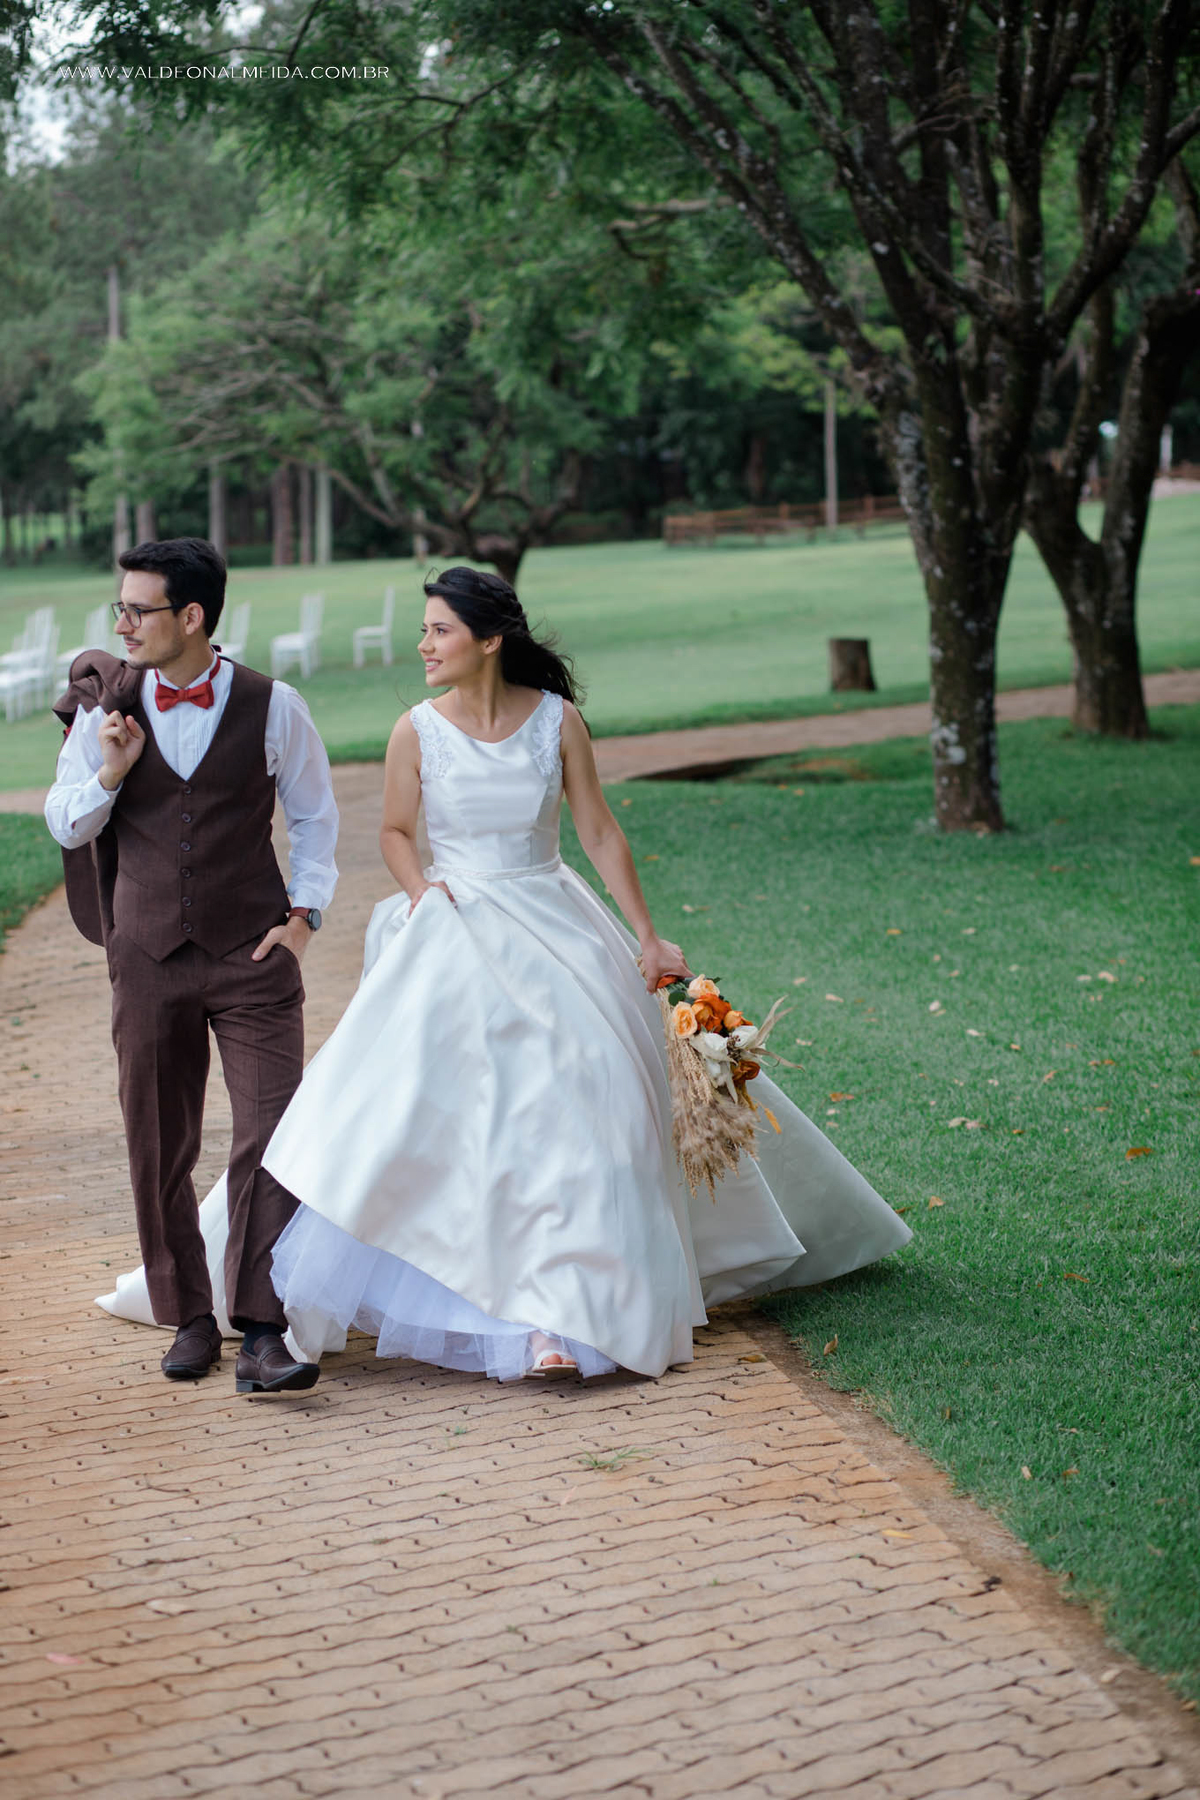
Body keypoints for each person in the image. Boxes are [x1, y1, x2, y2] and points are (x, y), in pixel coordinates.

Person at [101, 565, 911, 1382]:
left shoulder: (558, 721)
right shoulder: (414, 728)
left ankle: (558, 1318)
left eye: (439, 630)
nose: (423, 644)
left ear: (490, 640)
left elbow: (596, 830)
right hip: (452, 928)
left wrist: (649, 936)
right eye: (423, 629)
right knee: (435, 1124)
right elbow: (391, 830)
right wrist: (422, 893)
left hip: (555, 922)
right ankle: (441, 1302)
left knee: (592, 1106)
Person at [47, 537, 339, 1394]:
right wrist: (108, 769)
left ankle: (262, 1329)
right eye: (120, 609)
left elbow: (316, 818)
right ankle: (190, 1316)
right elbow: (66, 825)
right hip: (146, 958)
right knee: (158, 1140)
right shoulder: (109, 710)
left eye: (139, 609)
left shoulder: (273, 704)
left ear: (193, 616)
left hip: (253, 955)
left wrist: (304, 915)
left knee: (272, 1135)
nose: (123, 624)